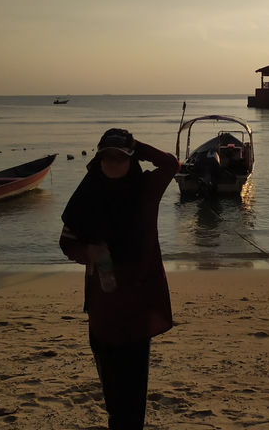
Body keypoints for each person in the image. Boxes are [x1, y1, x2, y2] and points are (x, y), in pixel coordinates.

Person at [59, 128, 179, 430]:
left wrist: (136, 145)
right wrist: (91, 252)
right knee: (110, 377)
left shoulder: (146, 190)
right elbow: (67, 242)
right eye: (106, 157)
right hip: (104, 297)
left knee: (135, 380)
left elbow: (170, 165)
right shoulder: (89, 192)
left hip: (138, 295)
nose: (112, 163)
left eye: (120, 157)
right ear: (98, 160)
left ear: (131, 159)